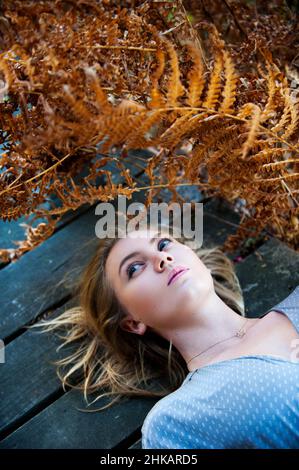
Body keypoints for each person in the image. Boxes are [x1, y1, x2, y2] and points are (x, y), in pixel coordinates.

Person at [37, 224, 299, 449]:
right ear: (132, 322)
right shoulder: (176, 422)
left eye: (164, 243)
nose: (161, 258)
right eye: (135, 268)